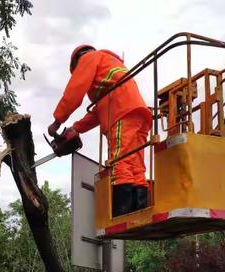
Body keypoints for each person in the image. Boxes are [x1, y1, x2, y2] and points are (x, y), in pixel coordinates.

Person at [49, 45, 152, 217]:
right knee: (136, 165)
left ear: (76, 63)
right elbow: (100, 109)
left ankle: (123, 213)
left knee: (119, 160)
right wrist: (76, 128)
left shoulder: (89, 58)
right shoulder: (109, 67)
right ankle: (140, 210)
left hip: (121, 112)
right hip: (138, 113)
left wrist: (58, 120)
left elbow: (75, 91)